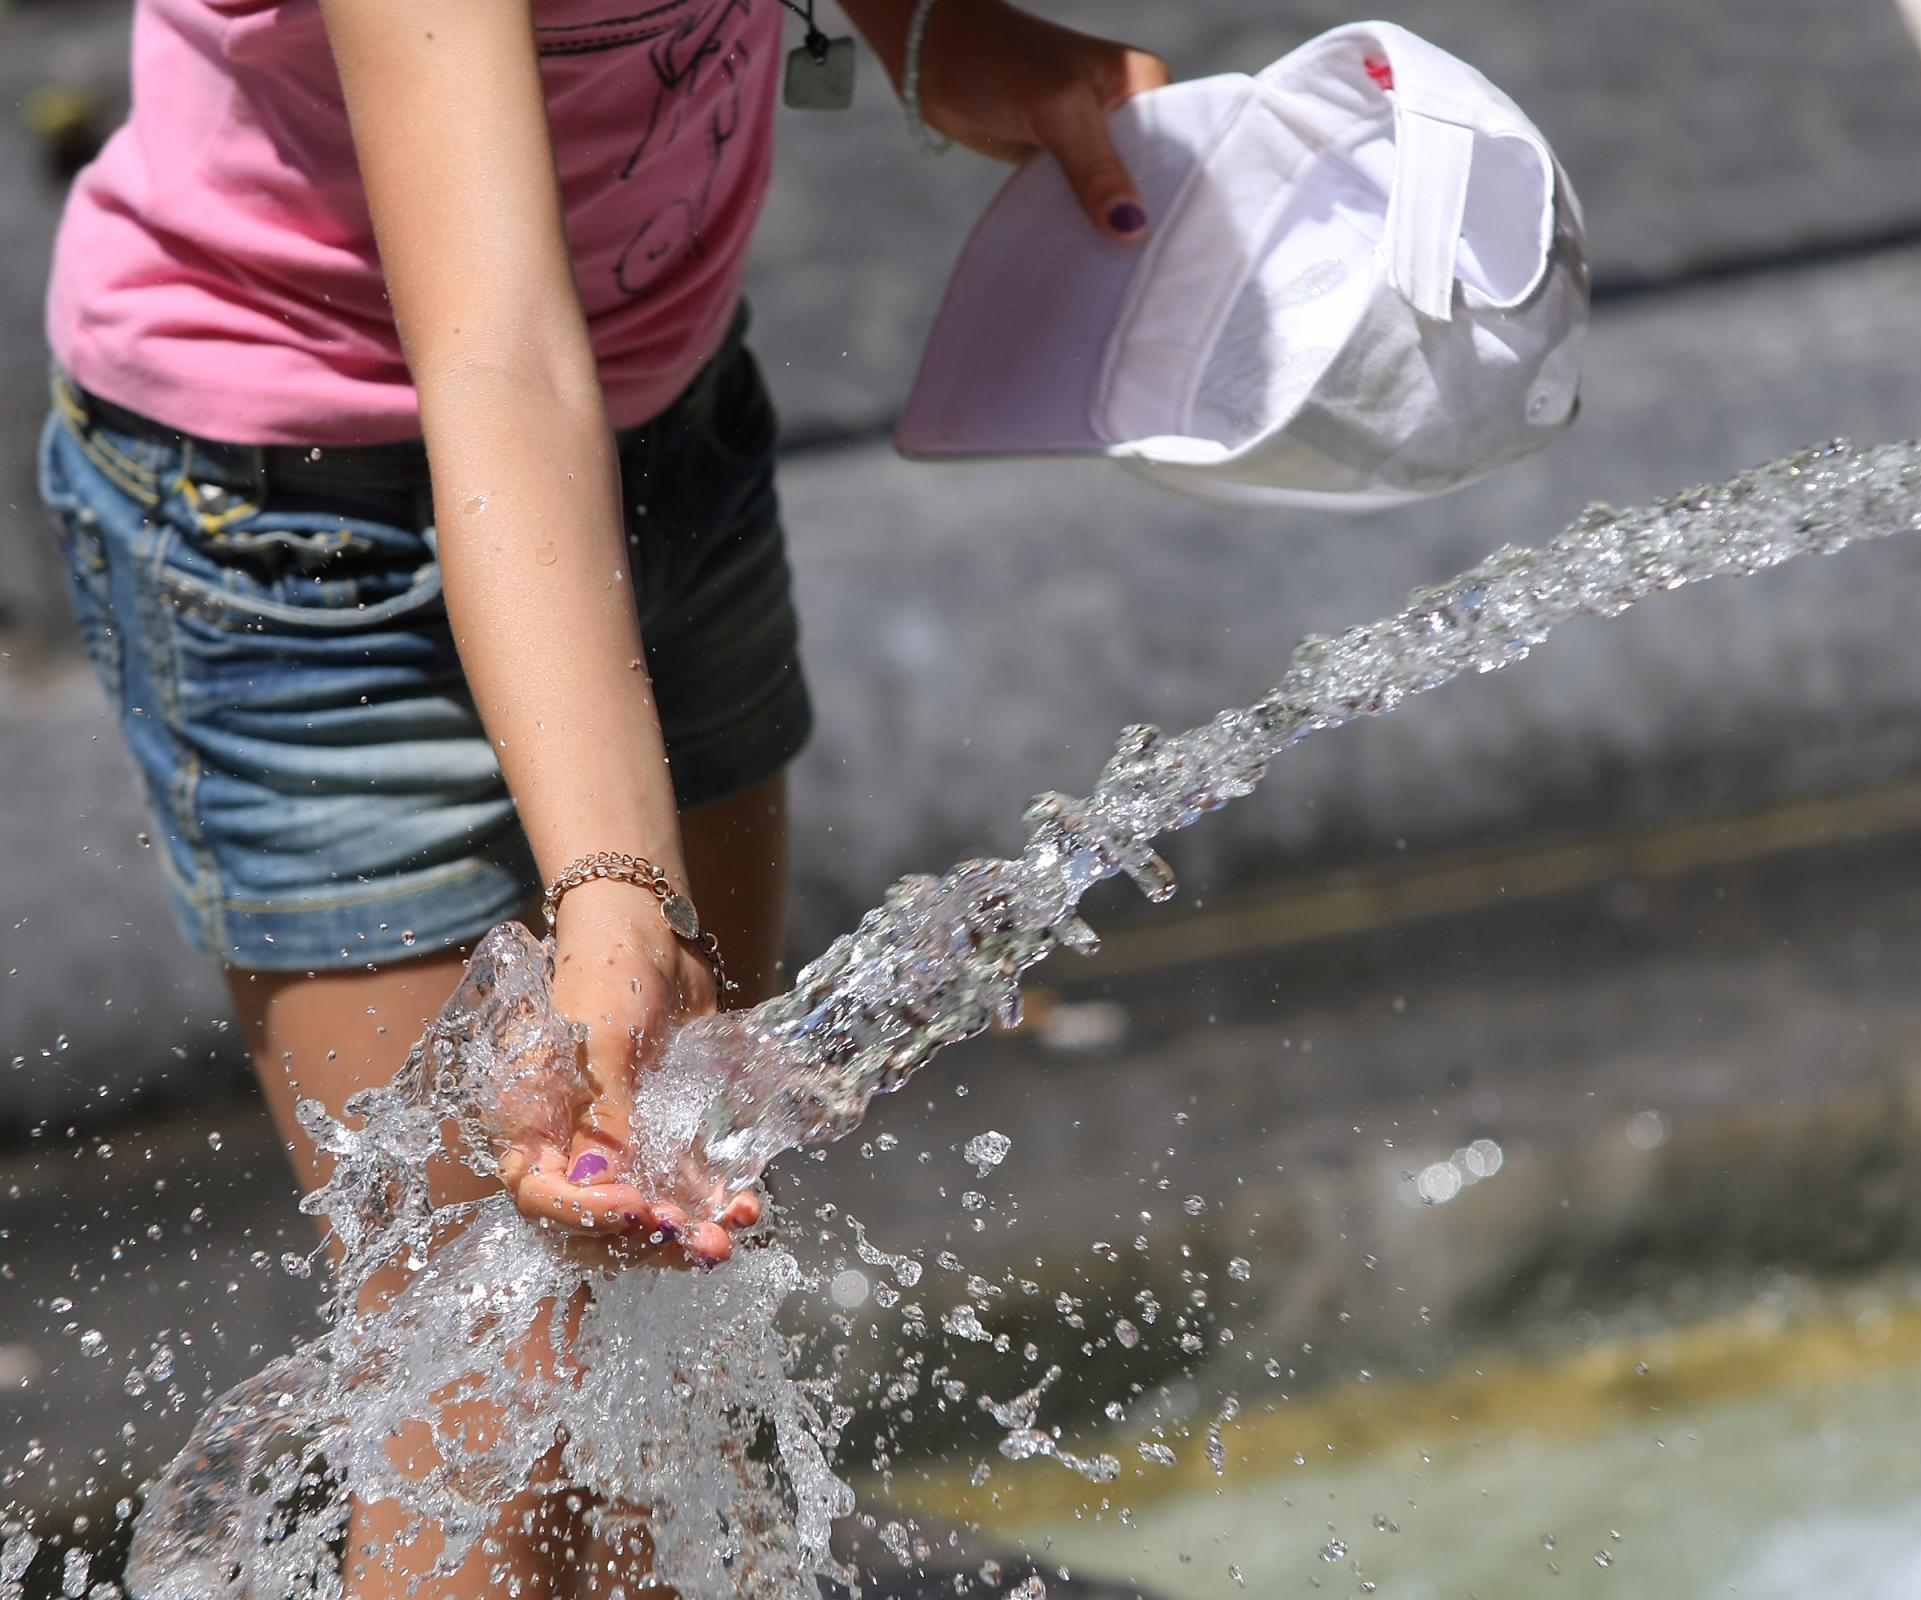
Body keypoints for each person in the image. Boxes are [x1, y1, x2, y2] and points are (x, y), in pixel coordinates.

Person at [37, 0, 1167, 1590]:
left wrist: (915, 29)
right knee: (486, 1418)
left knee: (665, 1345)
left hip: (665, 424)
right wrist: (621, 888)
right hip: (302, 522)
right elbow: (494, 354)